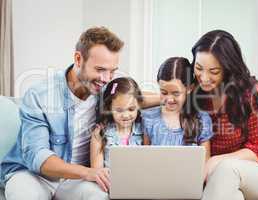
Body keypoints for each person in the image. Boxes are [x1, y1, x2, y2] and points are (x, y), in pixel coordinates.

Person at [0, 26, 158, 200]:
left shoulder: (104, 91)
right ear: (78, 59)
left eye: (112, 71)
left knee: (99, 197)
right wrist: (89, 172)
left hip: (74, 181)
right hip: (32, 175)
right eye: (100, 69)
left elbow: (133, 98)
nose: (106, 78)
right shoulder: (40, 96)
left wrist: (174, 97)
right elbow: (38, 157)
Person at [191, 30, 258, 200]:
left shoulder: (251, 93)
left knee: (226, 169)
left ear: (228, 68)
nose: (204, 78)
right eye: (199, 68)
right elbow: (165, 95)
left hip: (254, 171)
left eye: (213, 71)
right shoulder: (195, 90)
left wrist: (216, 160)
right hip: (214, 178)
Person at [143, 57, 213, 160]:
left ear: (189, 88)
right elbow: (144, 159)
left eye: (176, 93)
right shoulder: (149, 118)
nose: (169, 99)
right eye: (164, 92)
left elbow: (205, 163)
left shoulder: (201, 119)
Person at [90, 77, 143, 172]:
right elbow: (97, 172)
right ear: (109, 107)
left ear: (138, 105)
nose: (126, 115)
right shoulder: (99, 134)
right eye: (119, 110)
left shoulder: (144, 130)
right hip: (109, 183)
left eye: (131, 109)